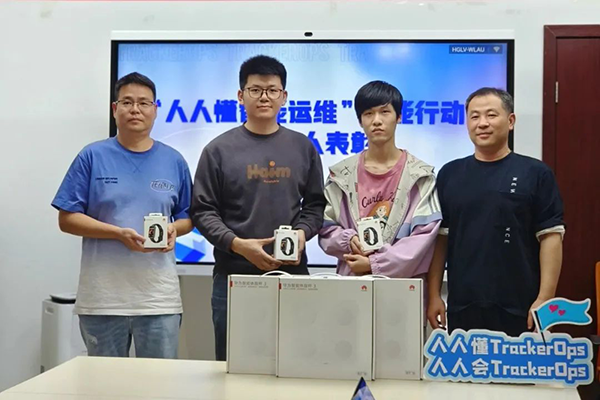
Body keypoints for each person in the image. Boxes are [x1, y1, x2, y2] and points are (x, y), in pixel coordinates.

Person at [190, 55, 325, 361]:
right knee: (234, 367)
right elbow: (203, 211)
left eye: (272, 90)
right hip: (233, 278)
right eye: (255, 90)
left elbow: (315, 206)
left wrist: (302, 234)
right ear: (241, 95)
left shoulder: (303, 147)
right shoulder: (217, 150)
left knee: (295, 363)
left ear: (284, 96)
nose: (264, 97)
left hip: (292, 276)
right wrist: (238, 244)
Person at [52, 72, 193, 358]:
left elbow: (189, 217)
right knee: (105, 382)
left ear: (155, 110)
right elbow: (67, 219)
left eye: (144, 103)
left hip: (158, 300)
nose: (135, 109)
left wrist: (174, 230)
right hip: (102, 300)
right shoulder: (92, 156)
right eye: (127, 102)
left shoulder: (174, 160)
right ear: (115, 109)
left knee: (159, 381)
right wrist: (117, 233)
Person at [427, 87, 565, 337]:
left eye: (491, 115)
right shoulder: (450, 174)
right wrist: (434, 294)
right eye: (474, 116)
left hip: (522, 307)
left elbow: (551, 237)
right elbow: (441, 240)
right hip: (463, 305)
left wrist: (545, 298)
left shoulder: (536, 173)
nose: (482, 123)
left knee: (519, 364)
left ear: (510, 121)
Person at [319, 81, 441, 280]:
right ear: (360, 121)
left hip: (403, 287)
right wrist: (348, 240)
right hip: (352, 283)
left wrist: (375, 263)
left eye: (385, 112)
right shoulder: (340, 175)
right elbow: (326, 228)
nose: (376, 120)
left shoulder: (420, 176)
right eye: (368, 113)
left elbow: (424, 237)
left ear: (398, 117)